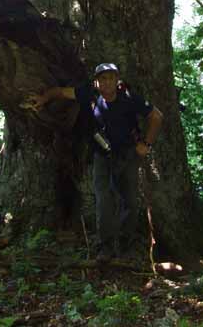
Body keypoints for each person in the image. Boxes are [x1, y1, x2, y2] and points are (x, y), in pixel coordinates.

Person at [24, 63, 163, 261]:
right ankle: (105, 247)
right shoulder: (89, 94)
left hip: (128, 155)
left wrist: (146, 144)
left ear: (117, 80)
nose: (107, 82)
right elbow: (61, 93)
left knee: (130, 201)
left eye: (111, 78)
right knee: (103, 202)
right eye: (102, 79)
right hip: (102, 156)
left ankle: (126, 246)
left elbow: (156, 116)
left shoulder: (130, 98)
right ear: (96, 82)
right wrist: (43, 98)